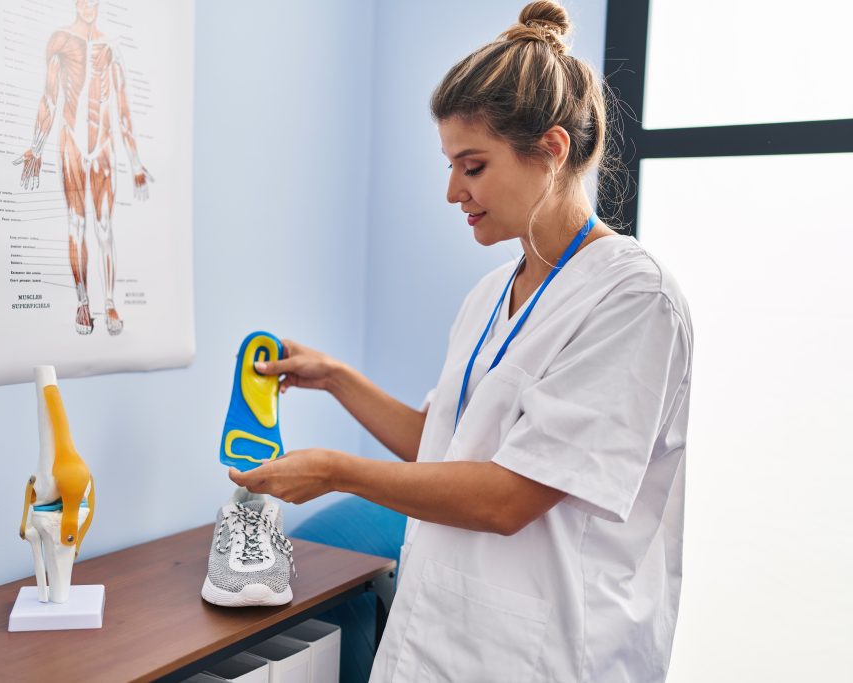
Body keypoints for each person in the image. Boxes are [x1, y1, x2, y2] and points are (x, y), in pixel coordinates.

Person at [230, 2, 693, 681]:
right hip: (438, 641)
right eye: (450, 165)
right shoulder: (488, 297)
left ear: (553, 150)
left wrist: (333, 470)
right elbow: (443, 444)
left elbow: (507, 497)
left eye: (472, 166)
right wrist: (334, 377)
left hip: (551, 654)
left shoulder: (633, 299)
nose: (452, 190)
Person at [15, 0, 153, 337]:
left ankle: (108, 301)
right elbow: (49, 97)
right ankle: (82, 301)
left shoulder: (111, 48)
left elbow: (122, 109)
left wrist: (136, 163)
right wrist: (36, 145)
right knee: (76, 224)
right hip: (73, 146)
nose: (88, 5)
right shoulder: (60, 40)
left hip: (103, 148)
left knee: (105, 228)